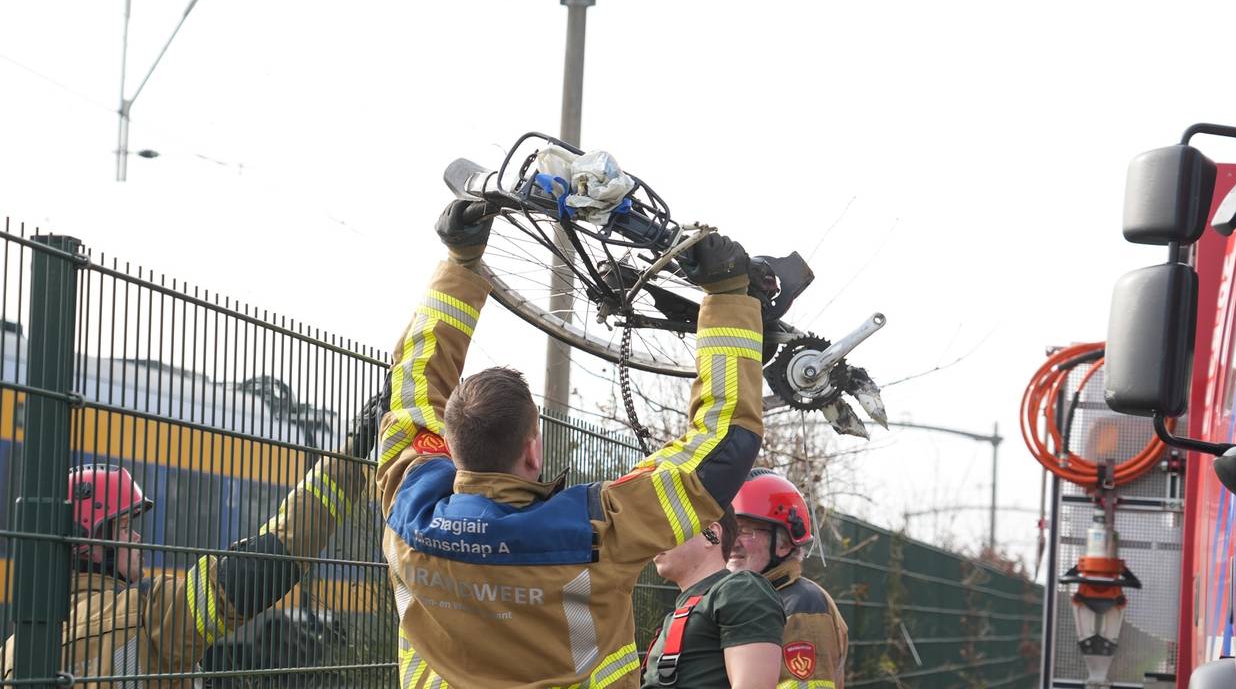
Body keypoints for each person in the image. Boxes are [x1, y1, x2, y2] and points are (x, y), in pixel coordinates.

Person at [375, 199, 765, 687]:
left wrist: (459, 265)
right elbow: (721, 446)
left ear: (450, 449)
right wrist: (728, 296)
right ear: (533, 449)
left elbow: (412, 394)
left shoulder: (406, 509)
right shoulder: (597, 531)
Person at [0, 401, 380, 688]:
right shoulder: (149, 613)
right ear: (90, 542)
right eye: (122, 527)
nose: (136, 537)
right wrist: (352, 453)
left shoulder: (17, 651)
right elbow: (270, 559)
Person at [728, 469, 849, 689]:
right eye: (731, 530)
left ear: (783, 544)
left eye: (745, 531)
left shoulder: (803, 606)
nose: (733, 542)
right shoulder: (744, 599)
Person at [640, 513, 783, 688]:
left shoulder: (739, 590)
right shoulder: (683, 611)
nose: (654, 540)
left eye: (667, 527)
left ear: (711, 534)